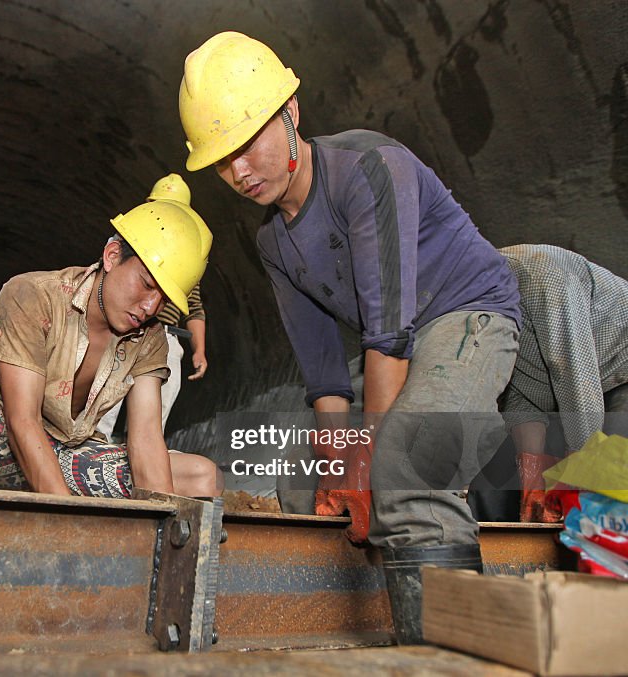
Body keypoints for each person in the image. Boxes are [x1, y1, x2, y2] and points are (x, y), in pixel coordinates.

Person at [178, 31, 521, 644]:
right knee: (307, 478)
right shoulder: (272, 242)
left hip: (468, 314)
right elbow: (325, 374)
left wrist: (367, 464)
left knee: (405, 467)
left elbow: (386, 336)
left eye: (248, 143)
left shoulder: (368, 167)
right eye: (221, 160)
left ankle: (451, 651)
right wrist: (340, 467)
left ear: (291, 114)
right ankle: (378, 627)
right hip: (397, 345)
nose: (238, 171)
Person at [0, 195, 221, 499]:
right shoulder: (34, 294)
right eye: (147, 284)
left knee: (201, 476)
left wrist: (160, 525)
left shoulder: (149, 337)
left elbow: (147, 439)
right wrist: (68, 521)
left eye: (163, 298)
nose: (150, 306)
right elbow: (21, 421)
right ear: (111, 256)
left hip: (69, 456)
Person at [498, 244, 628, 522]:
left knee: (610, 470)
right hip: (593, 377)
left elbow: (574, 375)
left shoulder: (539, 274)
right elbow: (524, 396)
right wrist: (533, 480)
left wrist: (577, 475)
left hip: (618, 366)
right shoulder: (493, 319)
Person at [97, 174, 209, 441]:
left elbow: (194, 307)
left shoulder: (187, 262)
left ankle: (144, 450)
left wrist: (200, 350)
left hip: (166, 337)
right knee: (107, 391)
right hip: (124, 330)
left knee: (157, 406)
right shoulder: (130, 243)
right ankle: (95, 443)